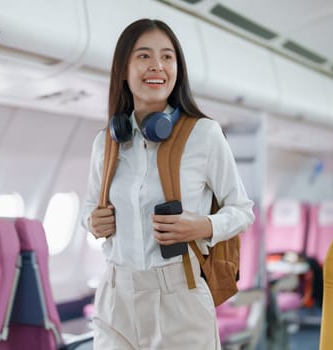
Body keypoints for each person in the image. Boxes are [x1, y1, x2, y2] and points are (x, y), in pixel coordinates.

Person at [81, 18, 255, 349]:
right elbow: (89, 206)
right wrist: (91, 220)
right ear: (123, 69)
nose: (157, 66)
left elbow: (242, 210)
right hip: (116, 296)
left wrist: (202, 225)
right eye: (143, 56)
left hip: (179, 297)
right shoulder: (106, 142)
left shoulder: (204, 134)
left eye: (167, 57)